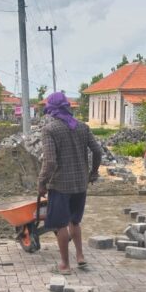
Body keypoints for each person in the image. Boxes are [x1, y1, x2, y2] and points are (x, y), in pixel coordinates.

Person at [38, 91, 102, 273]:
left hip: (60, 185)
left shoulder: (49, 130)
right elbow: (97, 151)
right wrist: (93, 172)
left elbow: (50, 162)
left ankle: (65, 264)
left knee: (60, 224)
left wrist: (42, 182)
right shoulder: (82, 127)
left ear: (51, 109)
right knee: (75, 221)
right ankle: (80, 257)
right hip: (80, 183)